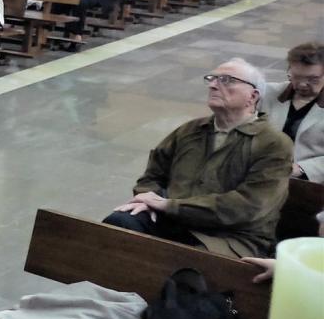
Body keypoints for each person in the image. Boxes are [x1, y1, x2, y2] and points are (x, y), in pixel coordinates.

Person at [103, 59, 292, 257]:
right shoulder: (190, 131)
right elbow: (153, 174)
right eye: (212, 79)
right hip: (173, 220)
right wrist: (147, 198)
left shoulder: (274, 144)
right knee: (119, 224)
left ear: (252, 96)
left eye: (226, 80)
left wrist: (169, 205)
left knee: (186, 265)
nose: (212, 85)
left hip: (231, 236)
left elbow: (248, 206)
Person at [265, 41, 324, 181]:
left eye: (313, 79)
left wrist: (302, 168)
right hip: (264, 176)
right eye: (296, 76)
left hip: (310, 183)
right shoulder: (268, 94)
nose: (302, 84)